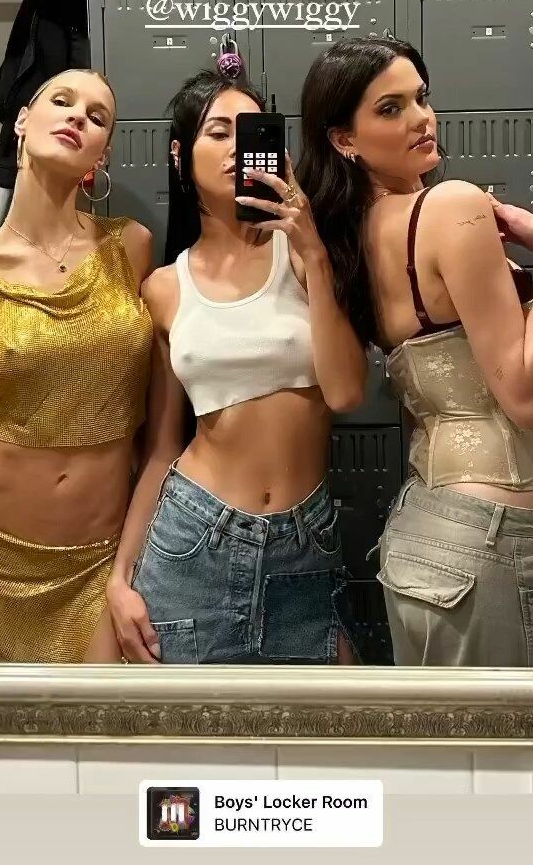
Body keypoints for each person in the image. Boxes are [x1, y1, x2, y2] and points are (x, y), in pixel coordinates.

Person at [296, 37, 533, 668]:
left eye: (421, 98)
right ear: (344, 139)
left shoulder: (352, 237)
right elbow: (526, 398)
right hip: (492, 535)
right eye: (390, 108)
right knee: (515, 733)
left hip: (424, 535)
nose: (421, 118)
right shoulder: (451, 206)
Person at [101, 62, 367, 665]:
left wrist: (314, 252)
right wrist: (121, 575)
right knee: (189, 725)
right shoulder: (164, 289)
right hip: (194, 538)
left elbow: (348, 392)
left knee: (328, 721)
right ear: (180, 154)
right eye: (218, 131)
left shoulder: (302, 256)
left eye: (250, 133)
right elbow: (162, 449)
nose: (235, 147)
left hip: (306, 545)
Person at [0, 69, 154, 662]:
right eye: (62, 101)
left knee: (101, 718)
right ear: (22, 120)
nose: (77, 117)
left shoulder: (131, 247)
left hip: (99, 560)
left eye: (97, 117)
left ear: (102, 153)